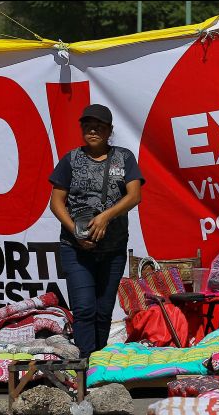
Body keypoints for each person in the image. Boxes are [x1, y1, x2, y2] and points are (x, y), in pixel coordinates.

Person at [49, 104, 145, 359]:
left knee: (104, 311)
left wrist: (105, 216)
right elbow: (56, 202)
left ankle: (98, 361)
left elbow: (134, 195)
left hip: (112, 249)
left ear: (109, 130)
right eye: (88, 125)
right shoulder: (71, 160)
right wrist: (75, 233)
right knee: (84, 308)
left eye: (100, 126)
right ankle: (85, 365)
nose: (93, 130)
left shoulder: (124, 158)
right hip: (76, 249)